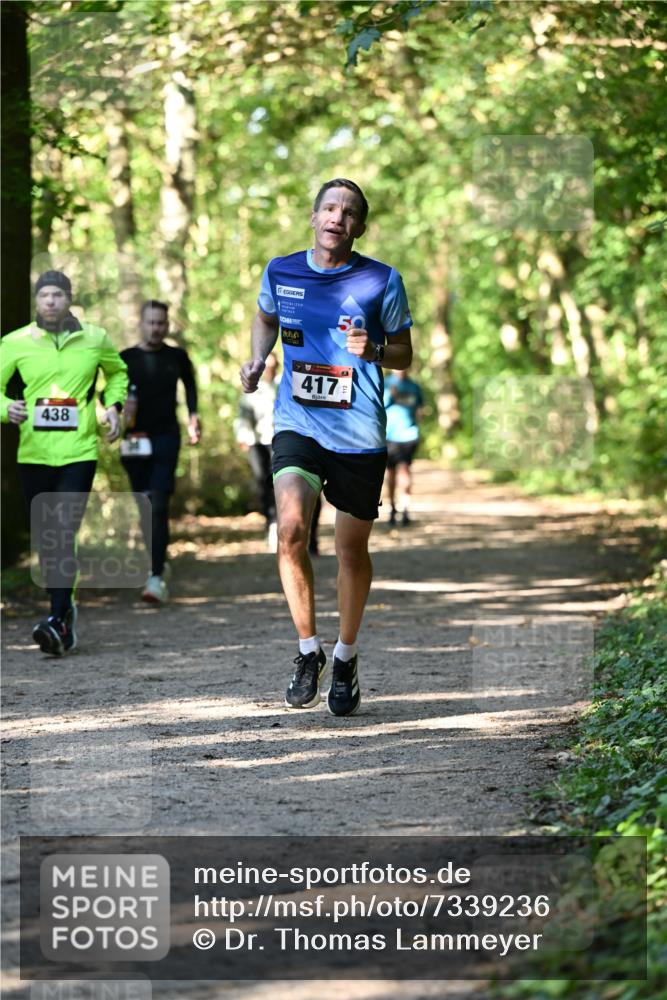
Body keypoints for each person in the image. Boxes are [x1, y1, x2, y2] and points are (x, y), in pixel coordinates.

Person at [240, 178, 413, 716]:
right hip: (297, 422)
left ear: (359, 226)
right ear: (314, 217)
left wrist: (376, 346)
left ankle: (345, 657)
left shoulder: (382, 279)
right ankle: (307, 651)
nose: (338, 217)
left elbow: (405, 353)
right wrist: (256, 358)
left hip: (359, 432)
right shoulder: (280, 270)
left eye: (350, 212)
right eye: (330, 208)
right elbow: (266, 316)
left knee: (350, 551)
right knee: (291, 529)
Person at [0, 269, 128, 655]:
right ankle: (64, 614)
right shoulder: (14, 342)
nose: (51, 301)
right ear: (37, 302)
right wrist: (8, 408)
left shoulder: (95, 338)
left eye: (58, 294)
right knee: (47, 536)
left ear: (69, 298)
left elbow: (118, 373)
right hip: (34, 454)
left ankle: (57, 618)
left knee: (61, 529)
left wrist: (114, 406)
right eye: (44, 295)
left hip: (79, 451)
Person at [119, 300, 201, 604]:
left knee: (158, 502)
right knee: (143, 505)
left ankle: (154, 577)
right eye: (151, 322)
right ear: (141, 323)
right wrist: (116, 408)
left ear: (167, 325)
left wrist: (194, 416)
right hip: (133, 439)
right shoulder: (125, 358)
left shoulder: (176, 356)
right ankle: (157, 559)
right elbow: (108, 393)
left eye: (161, 323)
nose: (156, 328)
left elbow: (190, 386)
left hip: (166, 436)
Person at [235, 351, 321, 554]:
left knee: (299, 485)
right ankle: (273, 524)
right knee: (264, 484)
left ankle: (310, 535)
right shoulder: (253, 386)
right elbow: (243, 414)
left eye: (272, 365)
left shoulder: (288, 381)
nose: (269, 369)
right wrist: (243, 435)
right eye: (265, 365)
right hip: (258, 441)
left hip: (287, 439)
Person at [383, 368, 424, 526]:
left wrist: (418, 422)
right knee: (391, 473)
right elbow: (378, 406)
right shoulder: (386, 384)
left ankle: (405, 508)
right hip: (389, 436)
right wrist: (390, 396)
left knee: (405, 470)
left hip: (409, 435)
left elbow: (419, 408)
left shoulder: (414, 386)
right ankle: (392, 508)